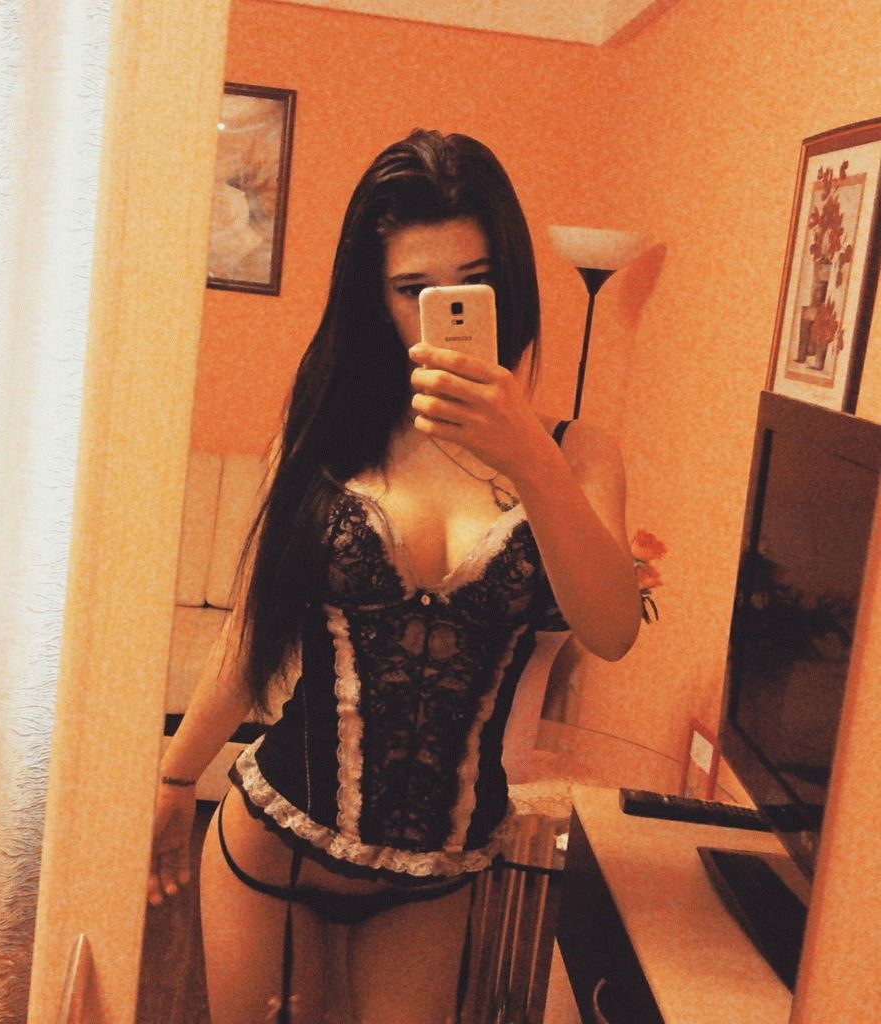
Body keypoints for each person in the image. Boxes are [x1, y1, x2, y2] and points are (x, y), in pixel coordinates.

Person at [148, 129, 642, 1024]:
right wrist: (175, 779)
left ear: (509, 283)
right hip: (276, 846)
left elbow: (610, 630)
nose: (443, 309)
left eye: (473, 280)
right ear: (377, 300)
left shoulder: (580, 455)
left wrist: (529, 456)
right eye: (414, 290)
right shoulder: (332, 432)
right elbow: (254, 630)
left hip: (436, 883)